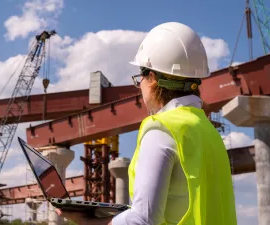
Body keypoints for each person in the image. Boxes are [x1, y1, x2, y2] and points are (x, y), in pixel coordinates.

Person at [56, 22, 237, 225]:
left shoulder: (162, 129)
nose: (139, 86)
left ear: (151, 78)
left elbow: (143, 219)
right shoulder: (208, 131)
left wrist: (87, 222)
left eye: (139, 78)